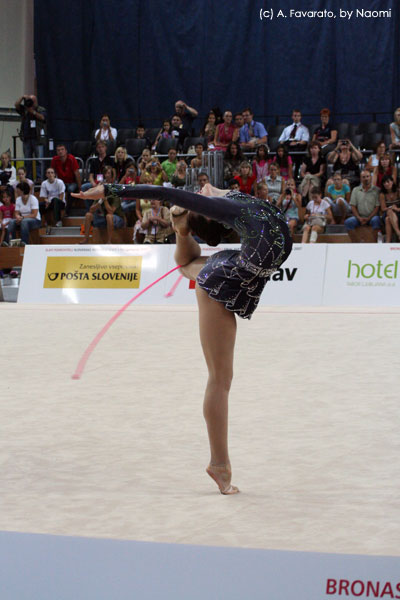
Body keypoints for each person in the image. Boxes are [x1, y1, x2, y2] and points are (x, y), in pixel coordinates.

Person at [71, 180, 293, 494]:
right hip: (222, 280)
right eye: (196, 198)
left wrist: (201, 197)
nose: (199, 189)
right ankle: (219, 464)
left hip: (239, 266)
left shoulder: (232, 200)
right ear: (208, 211)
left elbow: (205, 189)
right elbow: (163, 193)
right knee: (220, 378)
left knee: (188, 265)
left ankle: (181, 231)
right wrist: (109, 190)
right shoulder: (225, 206)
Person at [15, 94, 46, 181]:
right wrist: (22, 97)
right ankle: (28, 178)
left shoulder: (40, 109)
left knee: (39, 160)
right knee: (27, 160)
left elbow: (43, 117)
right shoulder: (25, 110)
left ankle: (39, 178)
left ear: (36, 101)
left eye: (33, 101)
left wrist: (33, 111)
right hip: (26, 138)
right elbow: (16, 105)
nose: (31, 103)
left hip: (38, 138)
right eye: (30, 101)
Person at [344, 170, 381, 242]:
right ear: (360, 179)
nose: (366, 179)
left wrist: (368, 218)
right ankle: (356, 243)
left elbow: (377, 207)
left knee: (376, 220)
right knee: (348, 222)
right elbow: (353, 206)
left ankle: (374, 243)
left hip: (372, 217)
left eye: (367, 176)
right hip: (359, 217)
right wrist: (359, 218)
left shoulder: (377, 190)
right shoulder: (355, 190)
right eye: (363, 177)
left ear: (371, 177)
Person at [50, 144, 82, 215]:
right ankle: (57, 212)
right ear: (56, 152)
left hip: (72, 182)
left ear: (66, 151)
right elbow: (52, 173)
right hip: (61, 182)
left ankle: (67, 210)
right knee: (56, 190)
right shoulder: (55, 159)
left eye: (62, 149)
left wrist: (80, 188)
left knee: (70, 189)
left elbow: (77, 174)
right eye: (58, 150)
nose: (60, 151)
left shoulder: (71, 158)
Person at [380, 176, 400, 242]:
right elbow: (383, 208)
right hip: (387, 212)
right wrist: (391, 208)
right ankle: (398, 233)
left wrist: (396, 209)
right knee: (389, 211)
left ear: (392, 182)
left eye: (388, 182)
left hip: (398, 213)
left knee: (387, 219)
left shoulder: (398, 192)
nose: (386, 184)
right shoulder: (382, 194)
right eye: (384, 183)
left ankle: (388, 242)